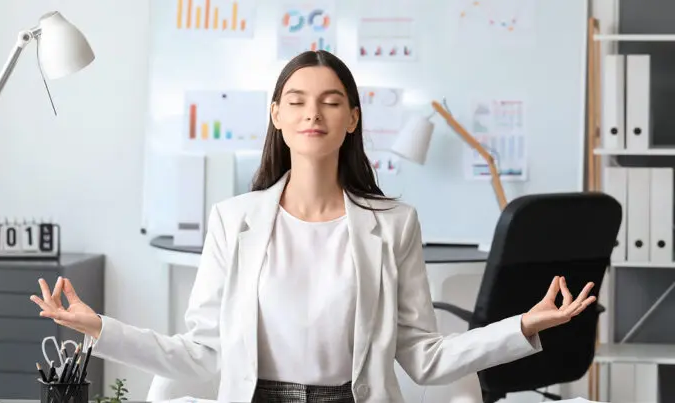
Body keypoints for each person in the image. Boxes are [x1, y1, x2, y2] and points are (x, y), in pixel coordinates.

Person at [30, 50, 597, 403]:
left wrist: (522, 326)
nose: (313, 114)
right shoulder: (234, 221)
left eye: (330, 102)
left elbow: (423, 357)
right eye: (297, 101)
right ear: (277, 115)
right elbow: (201, 354)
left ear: (352, 119)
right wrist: (98, 326)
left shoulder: (395, 224)